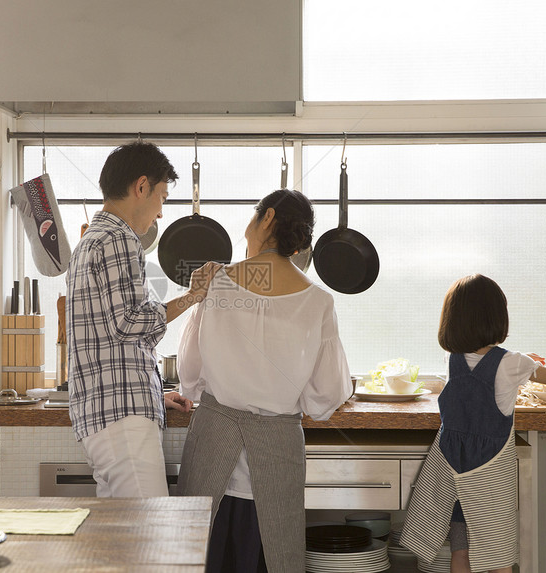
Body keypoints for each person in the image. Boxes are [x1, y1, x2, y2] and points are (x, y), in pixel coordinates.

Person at [176, 189, 354, 573]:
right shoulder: (318, 301)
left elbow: (188, 375)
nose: (247, 228)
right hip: (277, 452)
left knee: (200, 558)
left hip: (212, 443)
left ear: (267, 218)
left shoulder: (216, 283)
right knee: (271, 560)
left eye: (252, 216)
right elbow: (325, 398)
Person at [66, 141, 221, 497]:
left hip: (110, 413)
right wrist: (193, 296)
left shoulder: (91, 239)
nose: (161, 212)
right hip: (122, 422)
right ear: (141, 187)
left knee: (125, 540)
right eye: (162, 197)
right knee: (149, 536)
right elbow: (129, 322)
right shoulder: (119, 238)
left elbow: (112, 336)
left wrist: (152, 395)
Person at [400, 274, 546, 573]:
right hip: (489, 475)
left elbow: (485, 365)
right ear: (497, 317)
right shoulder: (513, 362)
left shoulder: (451, 358)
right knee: (497, 556)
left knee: (460, 552)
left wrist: (522, 361)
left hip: (454, 469)